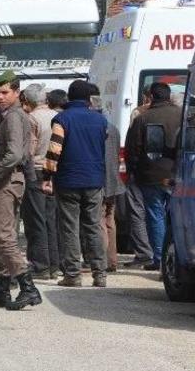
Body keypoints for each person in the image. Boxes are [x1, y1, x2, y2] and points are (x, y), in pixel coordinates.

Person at [0, 73, 41, 310]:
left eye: (5, 93)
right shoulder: (6, 115)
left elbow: (13, 155)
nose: (1, 97)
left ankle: (28, 287)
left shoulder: (13, 116)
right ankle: (2, 288)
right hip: (0, 182)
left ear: (16, 93)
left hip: (6, 181)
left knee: (4, 237)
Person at [42, 80, 109, 288]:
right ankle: (100, 274)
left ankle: (73, 274)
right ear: (89, 98)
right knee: (94, 226)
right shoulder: (101, 120)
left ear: (69, 97)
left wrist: (47, 176)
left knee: (70, 227)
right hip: (95, 180)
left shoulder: (62, 119)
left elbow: (54, 150)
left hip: (68, 180)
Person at [125, 81, 182, 270]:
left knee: (155, 216)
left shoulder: (142, 118)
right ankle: (180, 256)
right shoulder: (183, 115)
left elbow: (132, 149)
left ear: (150, 96)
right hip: (180, 174)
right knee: (179, 216)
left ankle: (160, 258)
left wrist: (133, 171)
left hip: (151, 175)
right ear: (168, 95)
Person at [19, 84, 60, 280]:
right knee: (51, 220)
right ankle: (54, 264)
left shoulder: (32, 119)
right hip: (54, 172)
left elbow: (29, 150)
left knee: (36, 220)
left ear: (27, 100)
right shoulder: (56, 116)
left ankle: (40, 265)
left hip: (36, 172)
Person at [123, 91, 159, 267]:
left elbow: (132, 145)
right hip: (170, 174)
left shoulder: (139, 114)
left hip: (142, 173)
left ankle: (145, 253)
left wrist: (131, 169)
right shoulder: (179, 113)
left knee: (138, 213)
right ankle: (160, 253)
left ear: (147, 97)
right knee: (160, 214)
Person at [102, 119, 124, 272]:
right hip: (114, 181)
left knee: (99, 221)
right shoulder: (114, 127)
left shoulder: (97, 127)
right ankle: (112, 260)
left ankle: (102, 260)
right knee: (110, 220)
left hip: (101, 181)